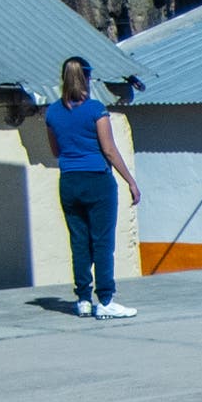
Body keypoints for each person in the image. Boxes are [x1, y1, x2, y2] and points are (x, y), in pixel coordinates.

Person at [41, 55, 142, 319]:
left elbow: (55, 150)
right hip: (97, 180)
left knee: (79, 242)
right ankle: (106, 299)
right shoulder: (96, 109)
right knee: (102, 242)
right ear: (86, 77)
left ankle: (83, 299)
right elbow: (108, 150)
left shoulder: (52, 112)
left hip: (69, 181)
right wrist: (130, 181)